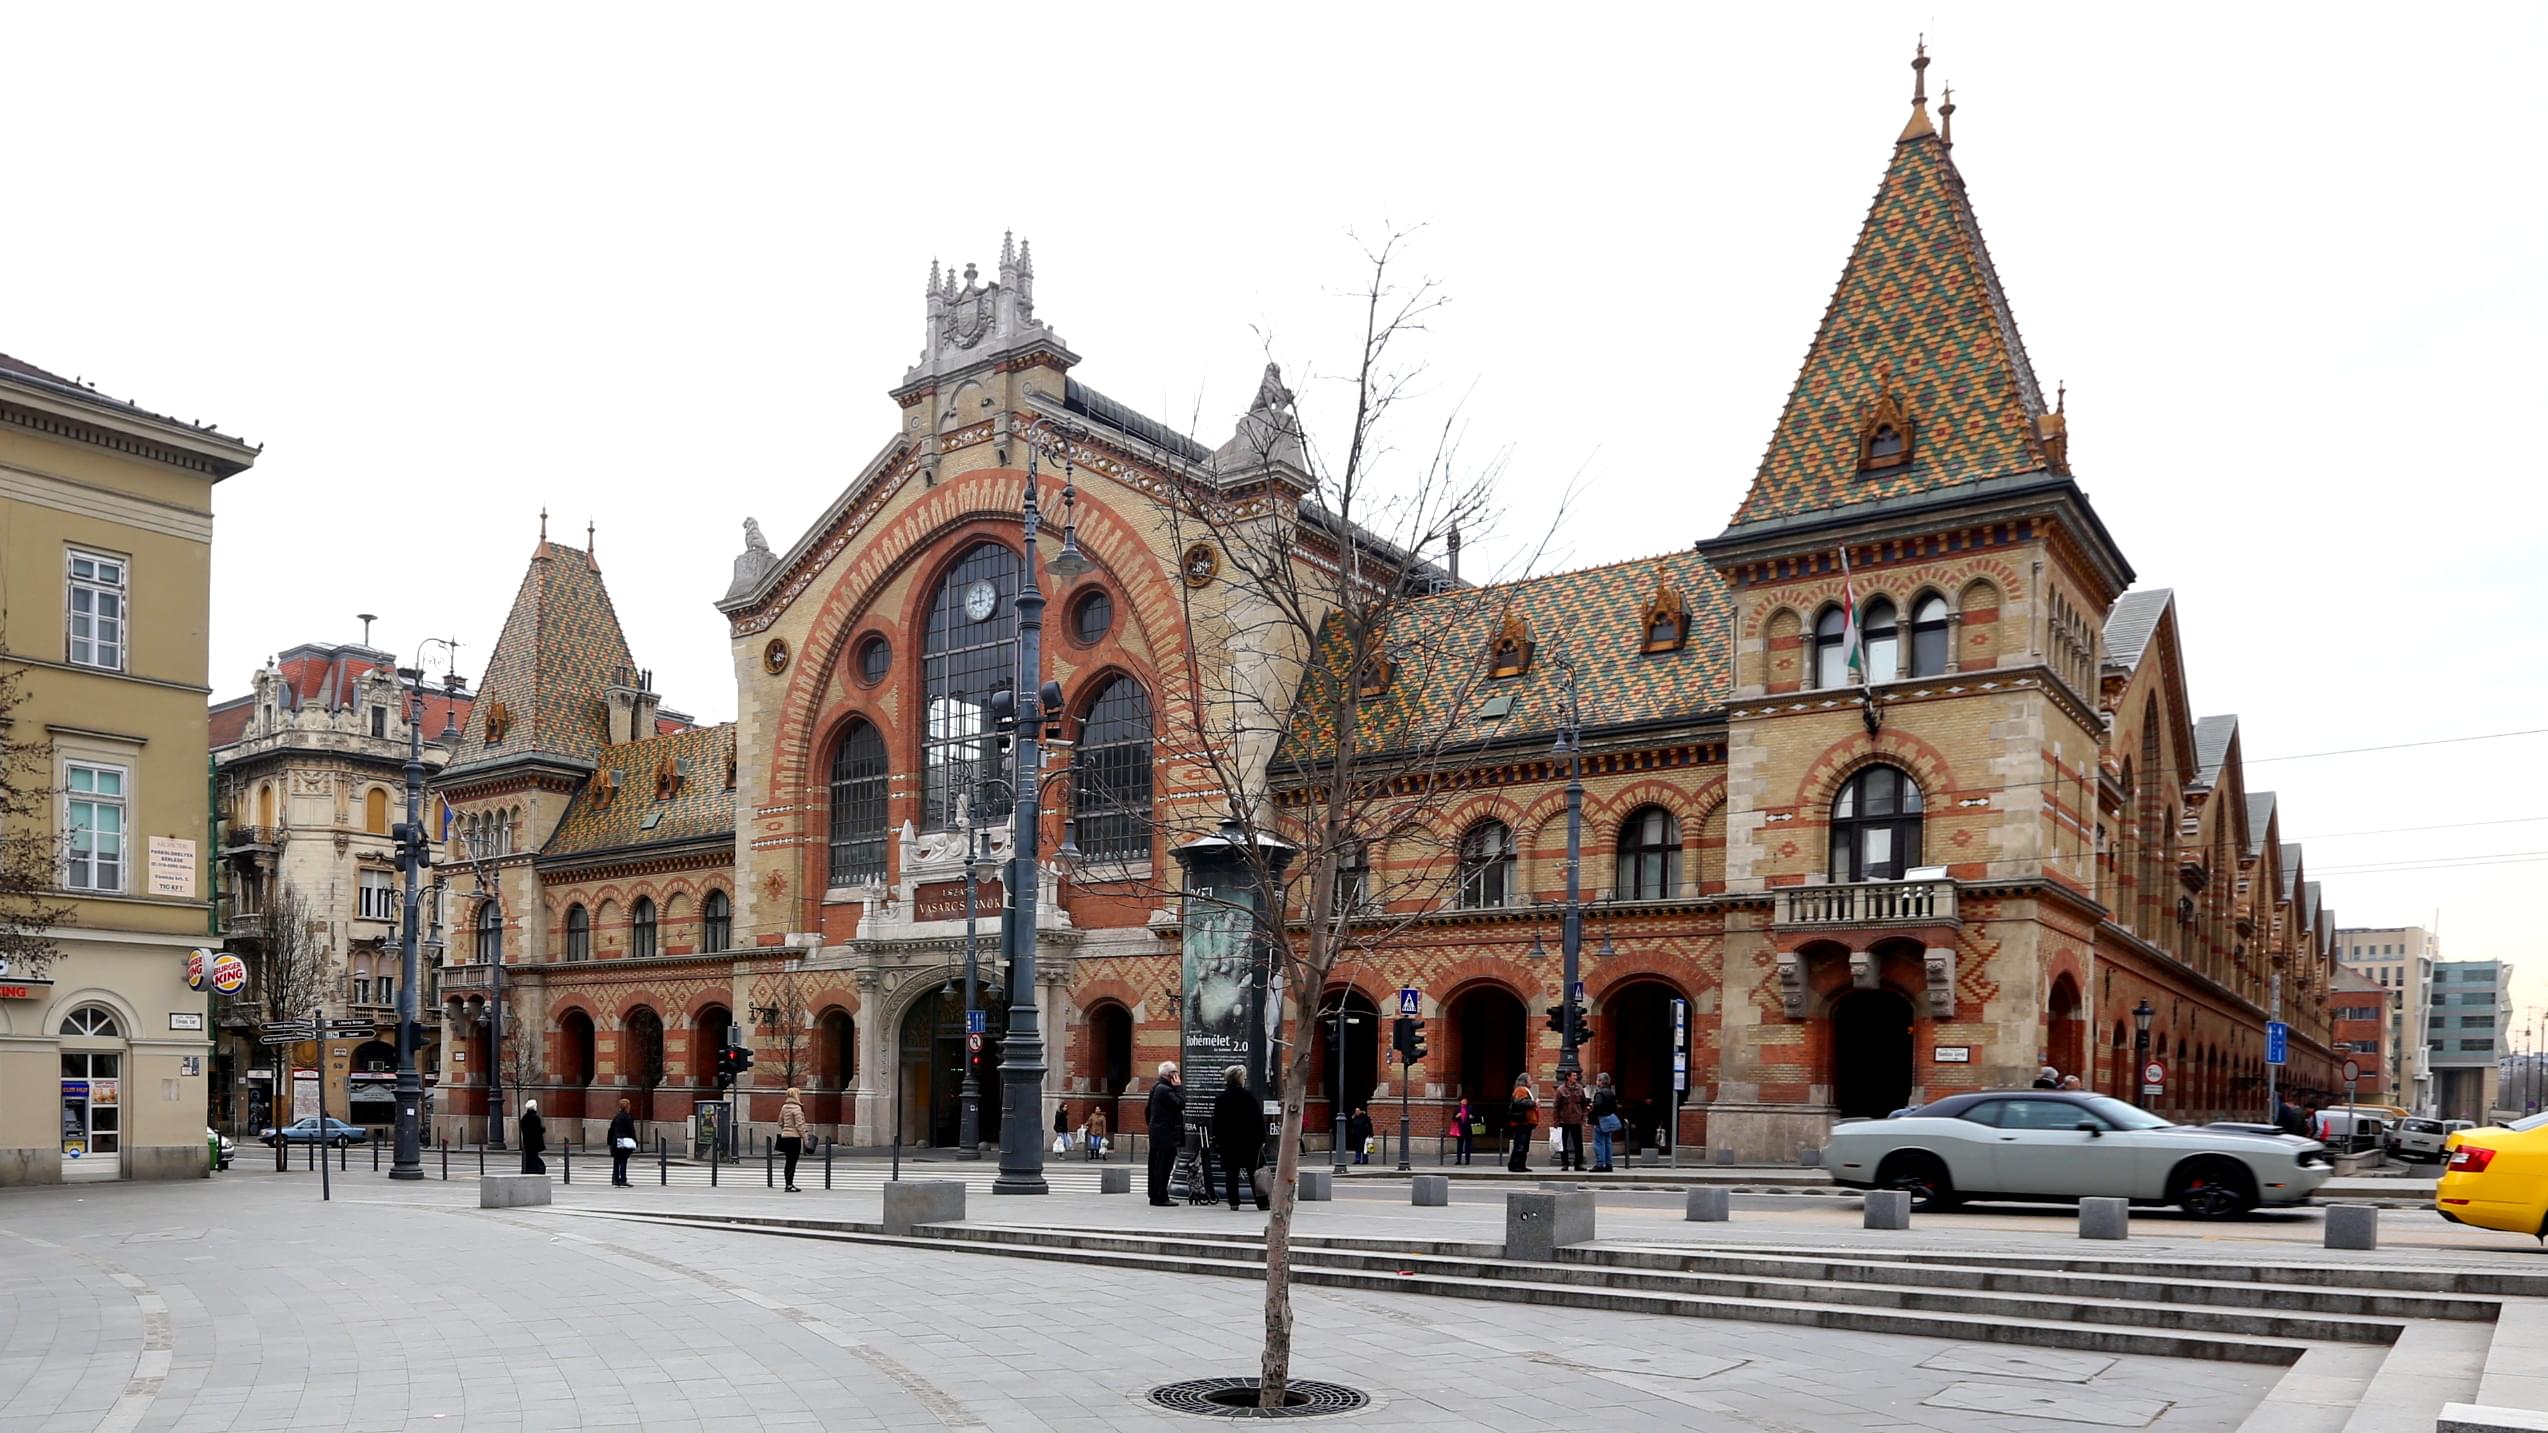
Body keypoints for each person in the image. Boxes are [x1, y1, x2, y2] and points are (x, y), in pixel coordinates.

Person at [1211, 1066, 1267, 1211]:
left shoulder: (1221, 1099)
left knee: (1231, 1174)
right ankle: (1262, 1202)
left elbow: (1216, 1122)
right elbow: (1258, 1120)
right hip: (1249, 1142)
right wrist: (1262, 1139)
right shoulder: (1248, 1097)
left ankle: (1234, 1202)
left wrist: (1218, 1141)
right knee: (1255, 1173)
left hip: (1229, 1143)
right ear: (1240, 1079)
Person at [1145, 1062, 1184, 1206]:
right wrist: (1178, 1088)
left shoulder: (1157, 1087)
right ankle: (1160, 1196)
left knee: (1156, 1166)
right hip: (1166, 1134)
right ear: (1170, 1075)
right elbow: (1180, 1103)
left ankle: (1156, 1195)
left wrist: (1152, 1126)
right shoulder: (1166, 1090)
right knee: (1163, 1166)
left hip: (1158, 1132)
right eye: (1176, 1072)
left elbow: (1147, 1111)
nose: (1178, 1075)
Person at [1552, 1072, 1589, 1173]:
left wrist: (1584, 1116)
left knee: (1578, 1143)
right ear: (1568, 1077)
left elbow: (1584, 1104)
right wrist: (1556, 1120)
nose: (1576, 1077)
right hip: (1564, 1120)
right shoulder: (1561, 1090)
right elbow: (1556, 1106)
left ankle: (1578, 1164)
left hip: (1577, 1120)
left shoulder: (1580, 1089)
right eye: (1574, 1076)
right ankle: (1565, 1163)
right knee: (1563, 1143)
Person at [777, 1087, 809, 1192]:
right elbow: (799, 1125)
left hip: (785, 1137)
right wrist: (805, 1138)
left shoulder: (784, 1107)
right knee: (793, 1162)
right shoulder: (797, 1108)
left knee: (788, 1161)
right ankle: (789, 1185)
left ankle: (788, 1183)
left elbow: (780, 1122)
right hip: (794, 1138)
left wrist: (785, 1130)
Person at [1589, 1072, 1622, 1173]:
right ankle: (1608, 1163)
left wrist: (1592, 1108)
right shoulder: (1611, 1092)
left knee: (1599, 1143)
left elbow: (1598, 1106)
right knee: (1608, 1142)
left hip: (1600, 1121)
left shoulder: (1599, 1093)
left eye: (1597, 1080)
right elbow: (1614, 1107)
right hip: (1609, 1120)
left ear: (1600, 1081)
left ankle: (1600, 1164)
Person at [1506, 1078, 1538, 1173]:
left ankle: (1520, 1165)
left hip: (1526, 1122)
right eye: (1530, 1080)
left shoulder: (1523, 1090)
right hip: (1522, 1122)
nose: (1532, 1081)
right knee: (1521, 1144)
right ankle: (1516, 1165)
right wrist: (1534, 1103)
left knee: (1523, 1145)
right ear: (1525, 1081)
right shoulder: (1520, 1090)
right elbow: (1519, 1102)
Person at [607, 1098, 638, 1187]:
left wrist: (610, 1142)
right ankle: (623, 1179)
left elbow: (611, 1130)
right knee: (623, 1160)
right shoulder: (627, 1117)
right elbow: (631, 1130)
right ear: (628, 1106)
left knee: (616, 1160)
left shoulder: (617, 1116)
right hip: (624, 1139)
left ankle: (616, 1179)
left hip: (616, 1140)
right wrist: (635, 1141)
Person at [518, 1099, 546, 1175]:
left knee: (529, 1157)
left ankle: (528, 1170)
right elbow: (537, 1130)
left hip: (527, 1142)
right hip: (534, 1143)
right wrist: (542, 1129)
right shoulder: (535, 1118)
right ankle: (534, 1170)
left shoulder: (524, 1118)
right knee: (533, 1157)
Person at [1450, 1095, 1476, 1166]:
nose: (1464, 1101)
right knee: (1459, 1146)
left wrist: (1472, 1117)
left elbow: (1475, 1117)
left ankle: (1467, 1160)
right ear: (1460, 1101)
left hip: (1468, 1129)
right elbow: (1453, 1118)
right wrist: (1456, 1116)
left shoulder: (1470, 1108)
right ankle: (1458, 1160)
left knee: (1468, 1146)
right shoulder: (1457, 1109)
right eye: (1463, 1100)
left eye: (1465, 1100)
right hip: (1460, 1129)